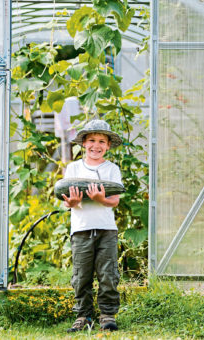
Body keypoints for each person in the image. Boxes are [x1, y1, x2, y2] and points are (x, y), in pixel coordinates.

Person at [61, 119, 123, 332]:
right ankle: (84, 316)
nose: (96, 146)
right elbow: (67, 200)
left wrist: (100, 199)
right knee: (81, 275)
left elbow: (114, 200)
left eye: (101, 141)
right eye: (92, 140)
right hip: (80, 230)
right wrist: (72, 202)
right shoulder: (74, 168)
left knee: (108, 274)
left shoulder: (112, 170)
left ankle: (107, 314)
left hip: (107, 229)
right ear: (84, 143)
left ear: (108, 146)